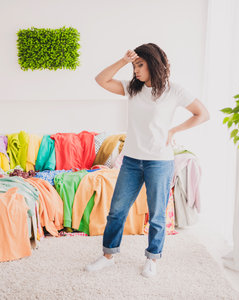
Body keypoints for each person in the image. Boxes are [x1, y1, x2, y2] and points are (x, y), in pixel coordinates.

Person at [86, 43, 209, 278]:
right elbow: (100, 79)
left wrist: (174, 131)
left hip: (159, 162)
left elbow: (202, 114)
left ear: (153, 63)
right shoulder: (132, 89)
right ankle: (108, 255)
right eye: (134, 66)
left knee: (157, 215)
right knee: (117, 211)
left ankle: (152, 258)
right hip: (132, 161)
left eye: (140, 64)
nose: (136, 70)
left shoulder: (174, 91)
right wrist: (124, 60)